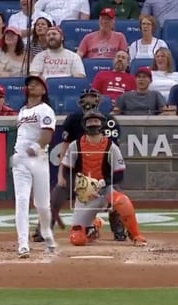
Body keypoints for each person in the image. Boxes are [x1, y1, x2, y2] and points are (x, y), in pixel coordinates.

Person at [32, 88, 127, 243]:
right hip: (77, 174)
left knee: (117, 197)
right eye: (86, 98)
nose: (89, 101)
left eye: (92, 97)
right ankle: (43, 229)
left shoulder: (111, 121)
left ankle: (119, 230)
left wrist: (106, 181)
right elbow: (65, 146)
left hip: (102, 175)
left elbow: (113, 155)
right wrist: (61, 174)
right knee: (56, 195)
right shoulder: (73, 118)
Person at [60, 111, 147, 247]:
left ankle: (136, 235)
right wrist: (78, 185)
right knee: (78, 240)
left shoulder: (111, 147)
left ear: (102, 124)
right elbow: (66, 170)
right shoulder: (74, 146)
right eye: (90, 121)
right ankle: (94, 225)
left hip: (105, 190)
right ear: (84, 124)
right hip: (85, 195)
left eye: (96, 121)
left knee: (122, 201)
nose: (93, 124)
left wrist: (102, 183)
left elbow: (119, 174)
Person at [13, 76, 58, 258]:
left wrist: (32, 151)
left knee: (42, 204)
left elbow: (46, 136)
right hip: (20, 160)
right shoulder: (22, 111)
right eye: (30, 84)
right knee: (21, 200)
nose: (32, 86)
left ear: (43, 90)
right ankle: (23, 244)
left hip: (37, 158)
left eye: (37, 84)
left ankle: (47, 237)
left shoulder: (45, 110)